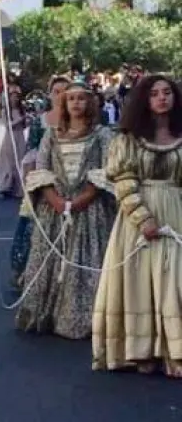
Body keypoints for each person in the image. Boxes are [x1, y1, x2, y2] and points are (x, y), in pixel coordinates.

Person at [93, 75, 182, 377]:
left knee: (175, 283)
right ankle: (140, 350)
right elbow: (124, 182)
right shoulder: (127, 140)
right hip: (138, 220)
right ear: (144, 100)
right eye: (155, 93)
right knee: (139, 283)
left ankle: (175, 351)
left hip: (176, 213)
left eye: (167, 92)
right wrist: (143, 217)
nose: (162, 98)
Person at [15, 82, 115, 340]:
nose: (76, 103)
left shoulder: (102, 135)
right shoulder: (51, 134)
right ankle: (44, 314)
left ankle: (83, 318)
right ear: (64, 104)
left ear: (90, 103)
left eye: (82, 98)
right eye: (71, 99)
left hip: (90, 209)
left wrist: (82, 199)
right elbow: (41, 170)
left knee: (86, 261)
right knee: (50, 259)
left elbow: (107, 171)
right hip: (55, 207)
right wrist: (57, 201)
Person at [11, 75, 70, 287]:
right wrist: (30, 183)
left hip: (72, 182)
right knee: (33, 228)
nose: (61, 95)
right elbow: (31, 154)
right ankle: (28, 273)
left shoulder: (81, 121)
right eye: (57, 91)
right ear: (50, 95)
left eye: (66, 91)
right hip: (46, 182)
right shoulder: (42, 121)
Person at [0, 86, 27, 198]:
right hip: (9, 137)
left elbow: (24, 125)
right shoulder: (6, 111)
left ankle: (17, 188)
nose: (15, 99)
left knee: (20, 159)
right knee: (8, 161)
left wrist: (25, 120)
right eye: (13, 97)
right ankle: (4, 186)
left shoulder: (21, 110)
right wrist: (18, 120)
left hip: (19, 136)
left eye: (17, 97)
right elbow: (7, 126)